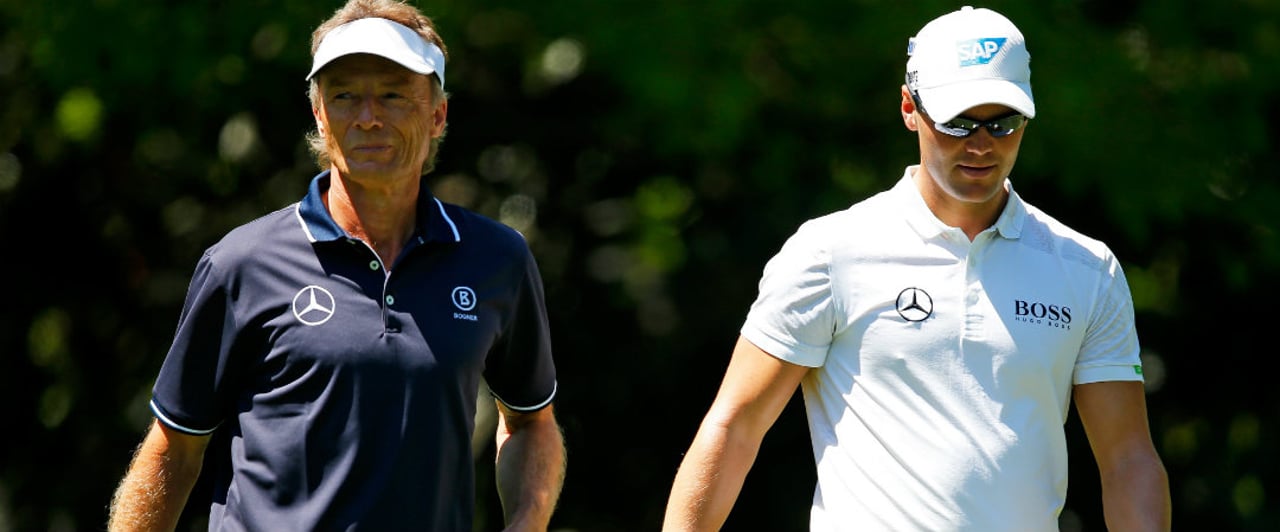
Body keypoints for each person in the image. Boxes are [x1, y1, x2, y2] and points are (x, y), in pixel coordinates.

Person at [663, 6, 1170, 531]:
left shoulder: (1086, 269)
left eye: (1003, 123)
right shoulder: (831, 251)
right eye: (957, 123)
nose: (980, 144)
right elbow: (736, 427)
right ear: (910, 108)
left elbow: (1128, 459)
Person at [107, 0, 565, 530]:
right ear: (320, 115)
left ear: (438, 114)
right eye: (345, 96)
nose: (368, 117)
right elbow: (174, 449)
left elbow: (532, 421)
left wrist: (527, 521)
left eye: (393, 95)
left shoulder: (496, 258)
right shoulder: (242, 263)